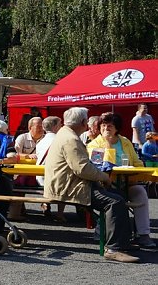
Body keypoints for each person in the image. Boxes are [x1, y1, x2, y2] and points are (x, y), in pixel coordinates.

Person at [43, 107, 138, 263]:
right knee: (115, 201)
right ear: (82, 122)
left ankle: (122, 242)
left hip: (66, 184)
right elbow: (82, 169)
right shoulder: (71, 139)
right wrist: (104, 178)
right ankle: (113, 248)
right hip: (68, 188)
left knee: (119, 195)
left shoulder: (65, 134)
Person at [87, 112, 154, 248]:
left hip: (127, 182)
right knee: (116, 197)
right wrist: (107, 144)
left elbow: (137, 163)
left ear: (117, 128)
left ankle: (143, 235)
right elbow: (98, 166)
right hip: (105, 184)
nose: (106, 128)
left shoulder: (125, 142)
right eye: (103, 126)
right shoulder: (95, 144)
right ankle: (117, 235)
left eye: (110, 126)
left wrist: (134, 172)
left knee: (140, 193)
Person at [35, 116, 65, 221]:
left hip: (40, 177)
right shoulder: (60, 140)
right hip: (54, 179)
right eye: (60, 124)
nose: (62, 126)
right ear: (55, 126)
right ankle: (60, 214)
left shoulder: (40, 142)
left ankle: (46, 203)